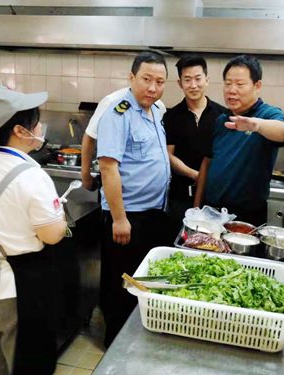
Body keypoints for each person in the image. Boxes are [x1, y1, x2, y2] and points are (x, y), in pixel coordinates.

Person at [0, 86, 67, 375]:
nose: (40, 127)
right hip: (17, 288)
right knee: (27, 364)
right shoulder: (31, 175)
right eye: (36, 121)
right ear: (21, 131)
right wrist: (59, 220)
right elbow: (52, 234)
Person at [96, 51, 172, 347]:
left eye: (160, 82)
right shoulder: (118, 112)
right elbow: (108, 166)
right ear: (131, 78)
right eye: (147, 80)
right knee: (122, 284)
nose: (153, 87)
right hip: (128, 216)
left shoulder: (155, 111)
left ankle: (136, 343)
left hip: (152, 213)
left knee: (142, 282)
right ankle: (115, 345)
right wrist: (119, 218)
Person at [194, 55, 284, 226]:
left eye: (239, 84)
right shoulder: (221, 120)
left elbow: (283, 132)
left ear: (257, 86)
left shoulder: (267, 114)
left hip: (246, 217)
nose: (232, 90)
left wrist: (255, 125)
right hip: (211, 211)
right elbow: (207, 163)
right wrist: (196, 208)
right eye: (228, 83)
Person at [162, 55, 226, 228]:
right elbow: (168, 155)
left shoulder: (223, 115)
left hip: (214, 197)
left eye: (198, 79)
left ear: (207, 80)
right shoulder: (171, 116)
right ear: (180, 83)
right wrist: (195, 174)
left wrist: (206, 178)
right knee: (178, 242)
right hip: (179, 195)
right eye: (187, 80)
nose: (193, 85)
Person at [81, 88, 166, 191]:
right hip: (121, 188)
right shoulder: (112, 102)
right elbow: (90, 136)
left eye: (159, 81)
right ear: (133, 77)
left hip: (151, 192)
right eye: (146, 78)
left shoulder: (158, 106)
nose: (152, 87)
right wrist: (86, 176)